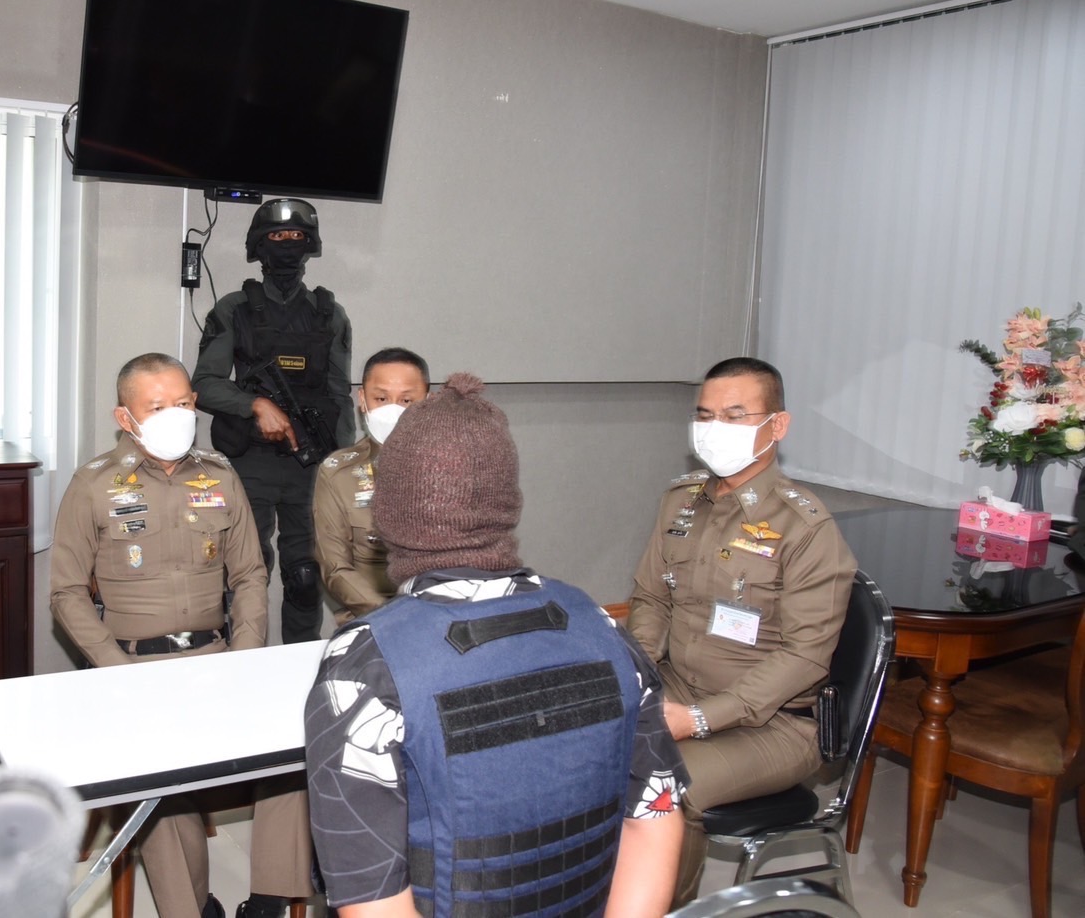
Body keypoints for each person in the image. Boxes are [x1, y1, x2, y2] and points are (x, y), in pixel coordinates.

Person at [305, 373, 687, 918]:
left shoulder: (365, 665)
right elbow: (655, 818)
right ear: (508, 504)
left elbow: (373, 901)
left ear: (386, 513)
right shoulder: (602, 628)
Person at [49, 353, 314, 918]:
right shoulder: (94, 484)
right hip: (133, 668)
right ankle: (193, 909)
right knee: (158, 783)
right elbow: (67, 592)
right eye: (157, 407)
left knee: (293, 754)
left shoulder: (219, 474)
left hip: (219, 658)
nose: (176, 415)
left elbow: (250, 575)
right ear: (125, 418)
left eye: (184, 403)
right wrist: (116, 671)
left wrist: (244, 656)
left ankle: (268, 901)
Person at [626, 356, 857, 907]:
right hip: (679, 684)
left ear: (777, 426)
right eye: (705, 415)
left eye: (734, 415)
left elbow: (806, 657)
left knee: (663, 786)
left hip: (777, 723)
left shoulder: (806, 527)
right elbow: (652, 598)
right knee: (582, 743)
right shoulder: (681, 501)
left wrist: (700, 718)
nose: (715, 428)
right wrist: (636, 675)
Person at [192, 198, 354, 644]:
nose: (287, 244)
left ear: (309, 245)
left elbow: (339, 394)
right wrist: (254, 406)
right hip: (252, 463)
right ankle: (243, 662)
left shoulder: (329, 314)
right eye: (278, 236)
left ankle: (301, 664)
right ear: (260, 246)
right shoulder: (234, 309)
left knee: (306, 576)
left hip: (311, 465)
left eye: (296, 236)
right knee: (246, 573)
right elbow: (203, 384)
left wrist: (341, 465)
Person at [312, 347, 431, 622]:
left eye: (407, 400)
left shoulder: (457, 468)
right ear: (363, 400)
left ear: (428, 402)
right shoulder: (339, 474)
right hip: (372, 622)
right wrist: (398, 619)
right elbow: (336, 568)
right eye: (381, 398)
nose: (393, 410)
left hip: (445, 619)